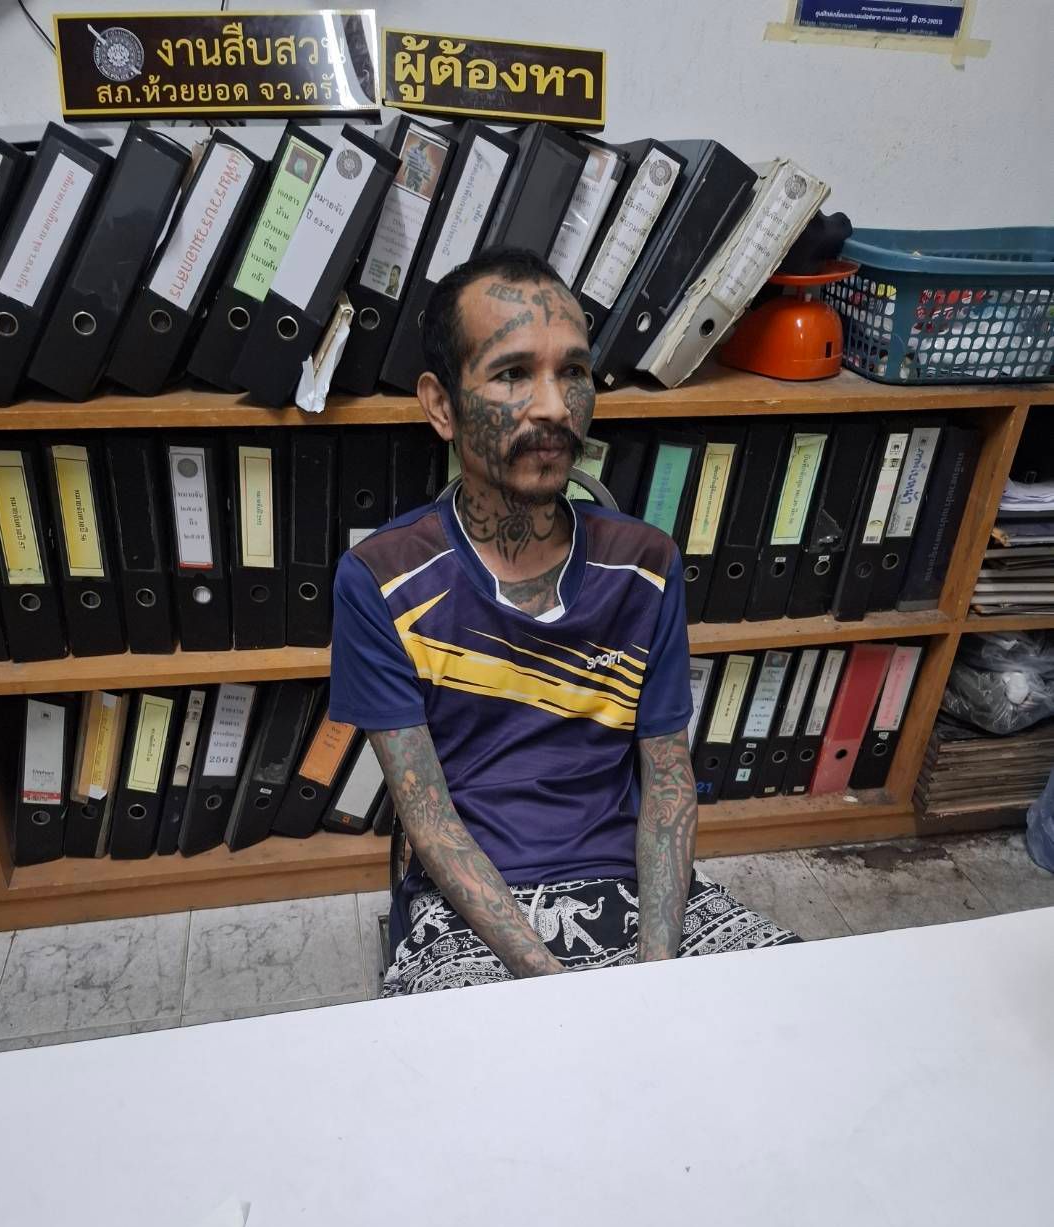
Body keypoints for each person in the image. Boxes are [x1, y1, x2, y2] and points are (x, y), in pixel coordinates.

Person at [329, 247, 797, 994]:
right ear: (441, 406)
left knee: (803, 1003)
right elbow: (428, 816)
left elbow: (668, 781)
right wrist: (557, 989)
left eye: (573, 371)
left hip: (634, 886)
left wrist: (655, 974)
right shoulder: (380, 579)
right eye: (514, 373)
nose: (552, 406)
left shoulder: (645, 565)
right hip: (474, 908)